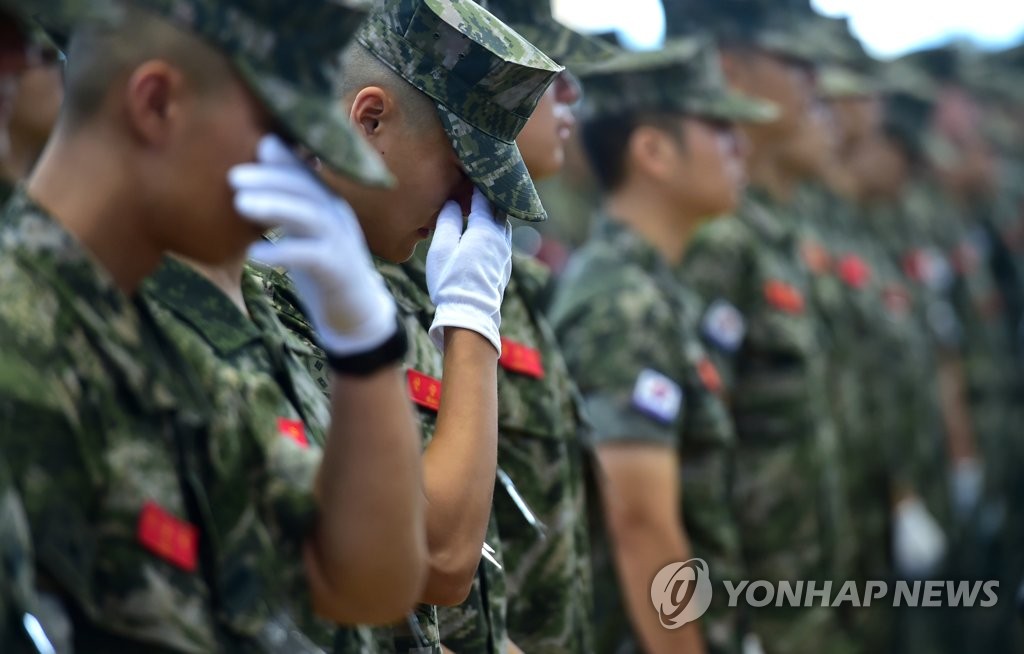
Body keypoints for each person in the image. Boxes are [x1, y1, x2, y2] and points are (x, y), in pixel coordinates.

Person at [0, 0, 429, 650]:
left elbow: (368, 582)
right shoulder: (18, 338)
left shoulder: (170, 352)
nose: (302, 176)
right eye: (278, 139)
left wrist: (367, 351)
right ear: (157, 104)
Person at [254, 0, 562, 651]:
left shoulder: (376, 289)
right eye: (460, 172)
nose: (464, 208)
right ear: (369, 120)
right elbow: (441, 559)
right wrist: (475, 326)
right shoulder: (274, 284)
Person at [550, 38, 776, 654]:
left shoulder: (651, 287)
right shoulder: (622, 302)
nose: (740, 146)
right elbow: (640, 524)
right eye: (719, 128)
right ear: (652, 151)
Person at [667, 0, 859, 651]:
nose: (813, 82)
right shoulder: (720, 242)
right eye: (793, 60)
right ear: (731, 69)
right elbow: (689, 458)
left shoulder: (770, 230)